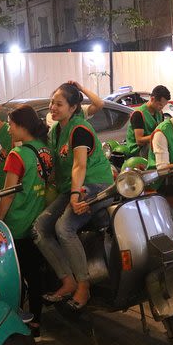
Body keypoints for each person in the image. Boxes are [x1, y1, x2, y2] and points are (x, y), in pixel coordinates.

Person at [33, 81, 113, 310]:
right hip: (72, 188)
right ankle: (67, 280)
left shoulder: (79, 129)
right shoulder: (56, 131)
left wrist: (77, 196)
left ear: (73, 107)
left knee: (64, 227)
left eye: (59, 104)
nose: (52, 107)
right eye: (52, 102)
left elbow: (79, 166)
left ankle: (83, 286)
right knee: (39, 228)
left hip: (95, 185)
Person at [0, 105, 54, 340]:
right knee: (35, 275)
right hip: (38, 222)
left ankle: (16, 325)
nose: (8, 130)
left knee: (15, 278)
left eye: (10, 125)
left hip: (17, 225)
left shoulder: (17, 155)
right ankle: (36, 325)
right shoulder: (45, 150)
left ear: (22, 126)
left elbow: (8, 193)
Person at [124, 85, 171, 157]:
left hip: (152, 144)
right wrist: (159, 136)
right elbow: (139, 140)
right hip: (138, 150)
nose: (161, 108)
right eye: (160, 105)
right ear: (152, 99)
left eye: (163, 106)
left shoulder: (159, 113)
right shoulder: (138, 114)